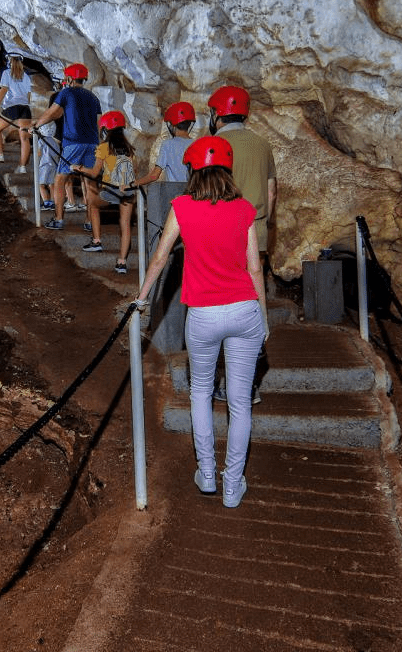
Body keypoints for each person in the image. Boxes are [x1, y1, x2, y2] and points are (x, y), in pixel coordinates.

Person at [134, 136, 267, 508]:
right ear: (227, 169)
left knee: (201, 394)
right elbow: (255, 267)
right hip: (244, 309)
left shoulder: (181, 206)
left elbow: (160, 259)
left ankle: (207, 473)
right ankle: (232, 484)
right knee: (240, 403)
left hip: (204, 315)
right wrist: (264, 318)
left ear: (192, 168)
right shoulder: (243, 209)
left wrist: (141, 300)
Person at [207, 85, 277, 293]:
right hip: (257, 223)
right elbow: (271, 191)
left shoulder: (213, 144)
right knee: (253, 284)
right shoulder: (263, 145)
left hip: (223, 225)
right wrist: (265, 221)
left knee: (225, 287)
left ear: (217, 113)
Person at [29, 63, 101, 230]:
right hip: (92, 143)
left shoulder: (66, 93)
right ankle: (90, 221)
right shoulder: (93, 97)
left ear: (68, 78)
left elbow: (53, 112)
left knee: (60, 179)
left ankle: (59, 218)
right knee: (88, 182)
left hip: (73, 142)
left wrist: (37, 125)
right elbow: (98, 122)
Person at [71, 110, 137, 274]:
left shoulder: (104, 147)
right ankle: (122, 262)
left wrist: (78, 167)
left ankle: (96, 241)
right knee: (125, 225)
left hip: (112, 192)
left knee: (93, 205)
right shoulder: (129, 149)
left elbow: (94, 173)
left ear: (105, 130)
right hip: (128, 193)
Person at [131, 101, 195, 188]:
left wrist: (133, 184)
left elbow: (154, 176)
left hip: (174, 195)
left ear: (172, 125)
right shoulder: (197, 143)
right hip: (192, 195)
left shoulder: (168, 144)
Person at [0, 52, 35, 173]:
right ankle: (22, 167)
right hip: (25, 107)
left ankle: (0, 155)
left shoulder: (6, 73)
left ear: (10, 61)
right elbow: (29, 95)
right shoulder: (26, 76)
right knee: (25, 139)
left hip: (12, 107)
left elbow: (4, 90)